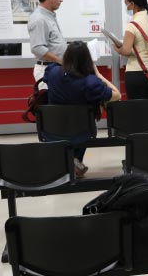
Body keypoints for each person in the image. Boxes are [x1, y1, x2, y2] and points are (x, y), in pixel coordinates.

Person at [43, 41, 121, 178]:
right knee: (81, 123)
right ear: (87, 60)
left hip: (52, 130)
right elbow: (117, 95)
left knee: (70, 123)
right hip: (81, 131)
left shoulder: (52, 72)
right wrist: (97, 73)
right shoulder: (90, 82)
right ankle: (75, 161)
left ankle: (70, 162)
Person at [113, 0, 148, 100]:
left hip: (135, 73)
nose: (126, 8)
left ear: (133, 4)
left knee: (137, 111)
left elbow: (126, 51)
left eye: (127, 4)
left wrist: (117, 48)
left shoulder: (132, 25)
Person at [28, 0, 67, 90]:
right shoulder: (39, 19)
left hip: (54, 68)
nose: (61, 0)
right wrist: (61, 60)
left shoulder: (49, 16)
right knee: (53, 106)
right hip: (47, 71)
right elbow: (37, 48)